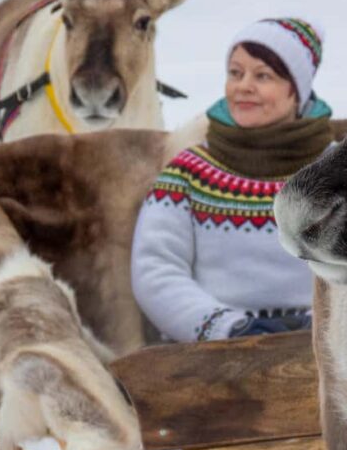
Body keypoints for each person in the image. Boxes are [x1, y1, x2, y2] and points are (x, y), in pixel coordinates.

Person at [131, 18, 333, 342]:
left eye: (262, 76)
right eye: (235, 73)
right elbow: (156, 269)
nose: (244, 86)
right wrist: (227, 327)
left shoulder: (339, 173)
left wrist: (320, 325)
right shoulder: (188, 173)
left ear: (297, 90)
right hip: (212, 352)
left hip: (319, 346)